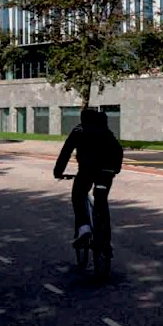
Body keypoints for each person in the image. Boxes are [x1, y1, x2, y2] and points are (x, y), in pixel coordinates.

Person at [53, 107, 124, 254]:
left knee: (78, 195)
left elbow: (66, 151)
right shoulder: (106, 131)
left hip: (87, 170)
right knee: (101, 200)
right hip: (107, 171)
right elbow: (118, 150)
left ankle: (84, 227)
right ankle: (106, 242)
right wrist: (115, 169)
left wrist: (58, 172)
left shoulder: (79, 130)